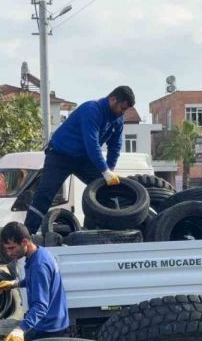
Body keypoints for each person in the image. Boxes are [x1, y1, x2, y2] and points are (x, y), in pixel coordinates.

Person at [23, 86, 135, 235]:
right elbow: (92, 144)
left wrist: (110, 170)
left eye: (125, 110)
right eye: (122, 108)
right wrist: (104, 170)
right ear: (113, 100)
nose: (123, 112)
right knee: (45, 194)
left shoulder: (117, 120)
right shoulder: (91, 110)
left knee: (106, 189)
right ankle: (27, 236)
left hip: (84, 160)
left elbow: (115, 146)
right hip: (60, 155)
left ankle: (103, 230)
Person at [0, 222, 69, 341]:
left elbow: (40, 306)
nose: (8, 253)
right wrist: (16, 283)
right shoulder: (41, 253)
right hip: (56, 320)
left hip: (48, 328)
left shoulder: (38, 265)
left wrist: (20, 329)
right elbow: (40, 282)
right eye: (6, 248)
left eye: (11, 248)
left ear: (24, 242)